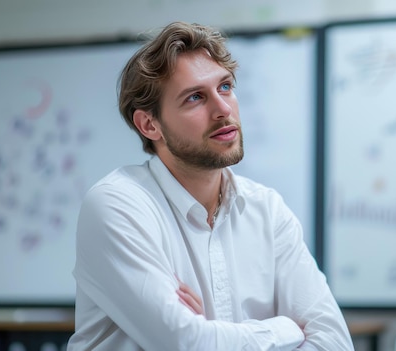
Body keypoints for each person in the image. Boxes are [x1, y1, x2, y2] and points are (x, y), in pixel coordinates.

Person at [66, 21, 354, 350]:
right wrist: (286, 330)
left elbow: (335, 344)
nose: (222, 109)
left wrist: (213, 333)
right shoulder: (117, 204)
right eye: (195, 98)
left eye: (226, 87)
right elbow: (188, 343)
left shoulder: (267, 210)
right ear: (149, 124)